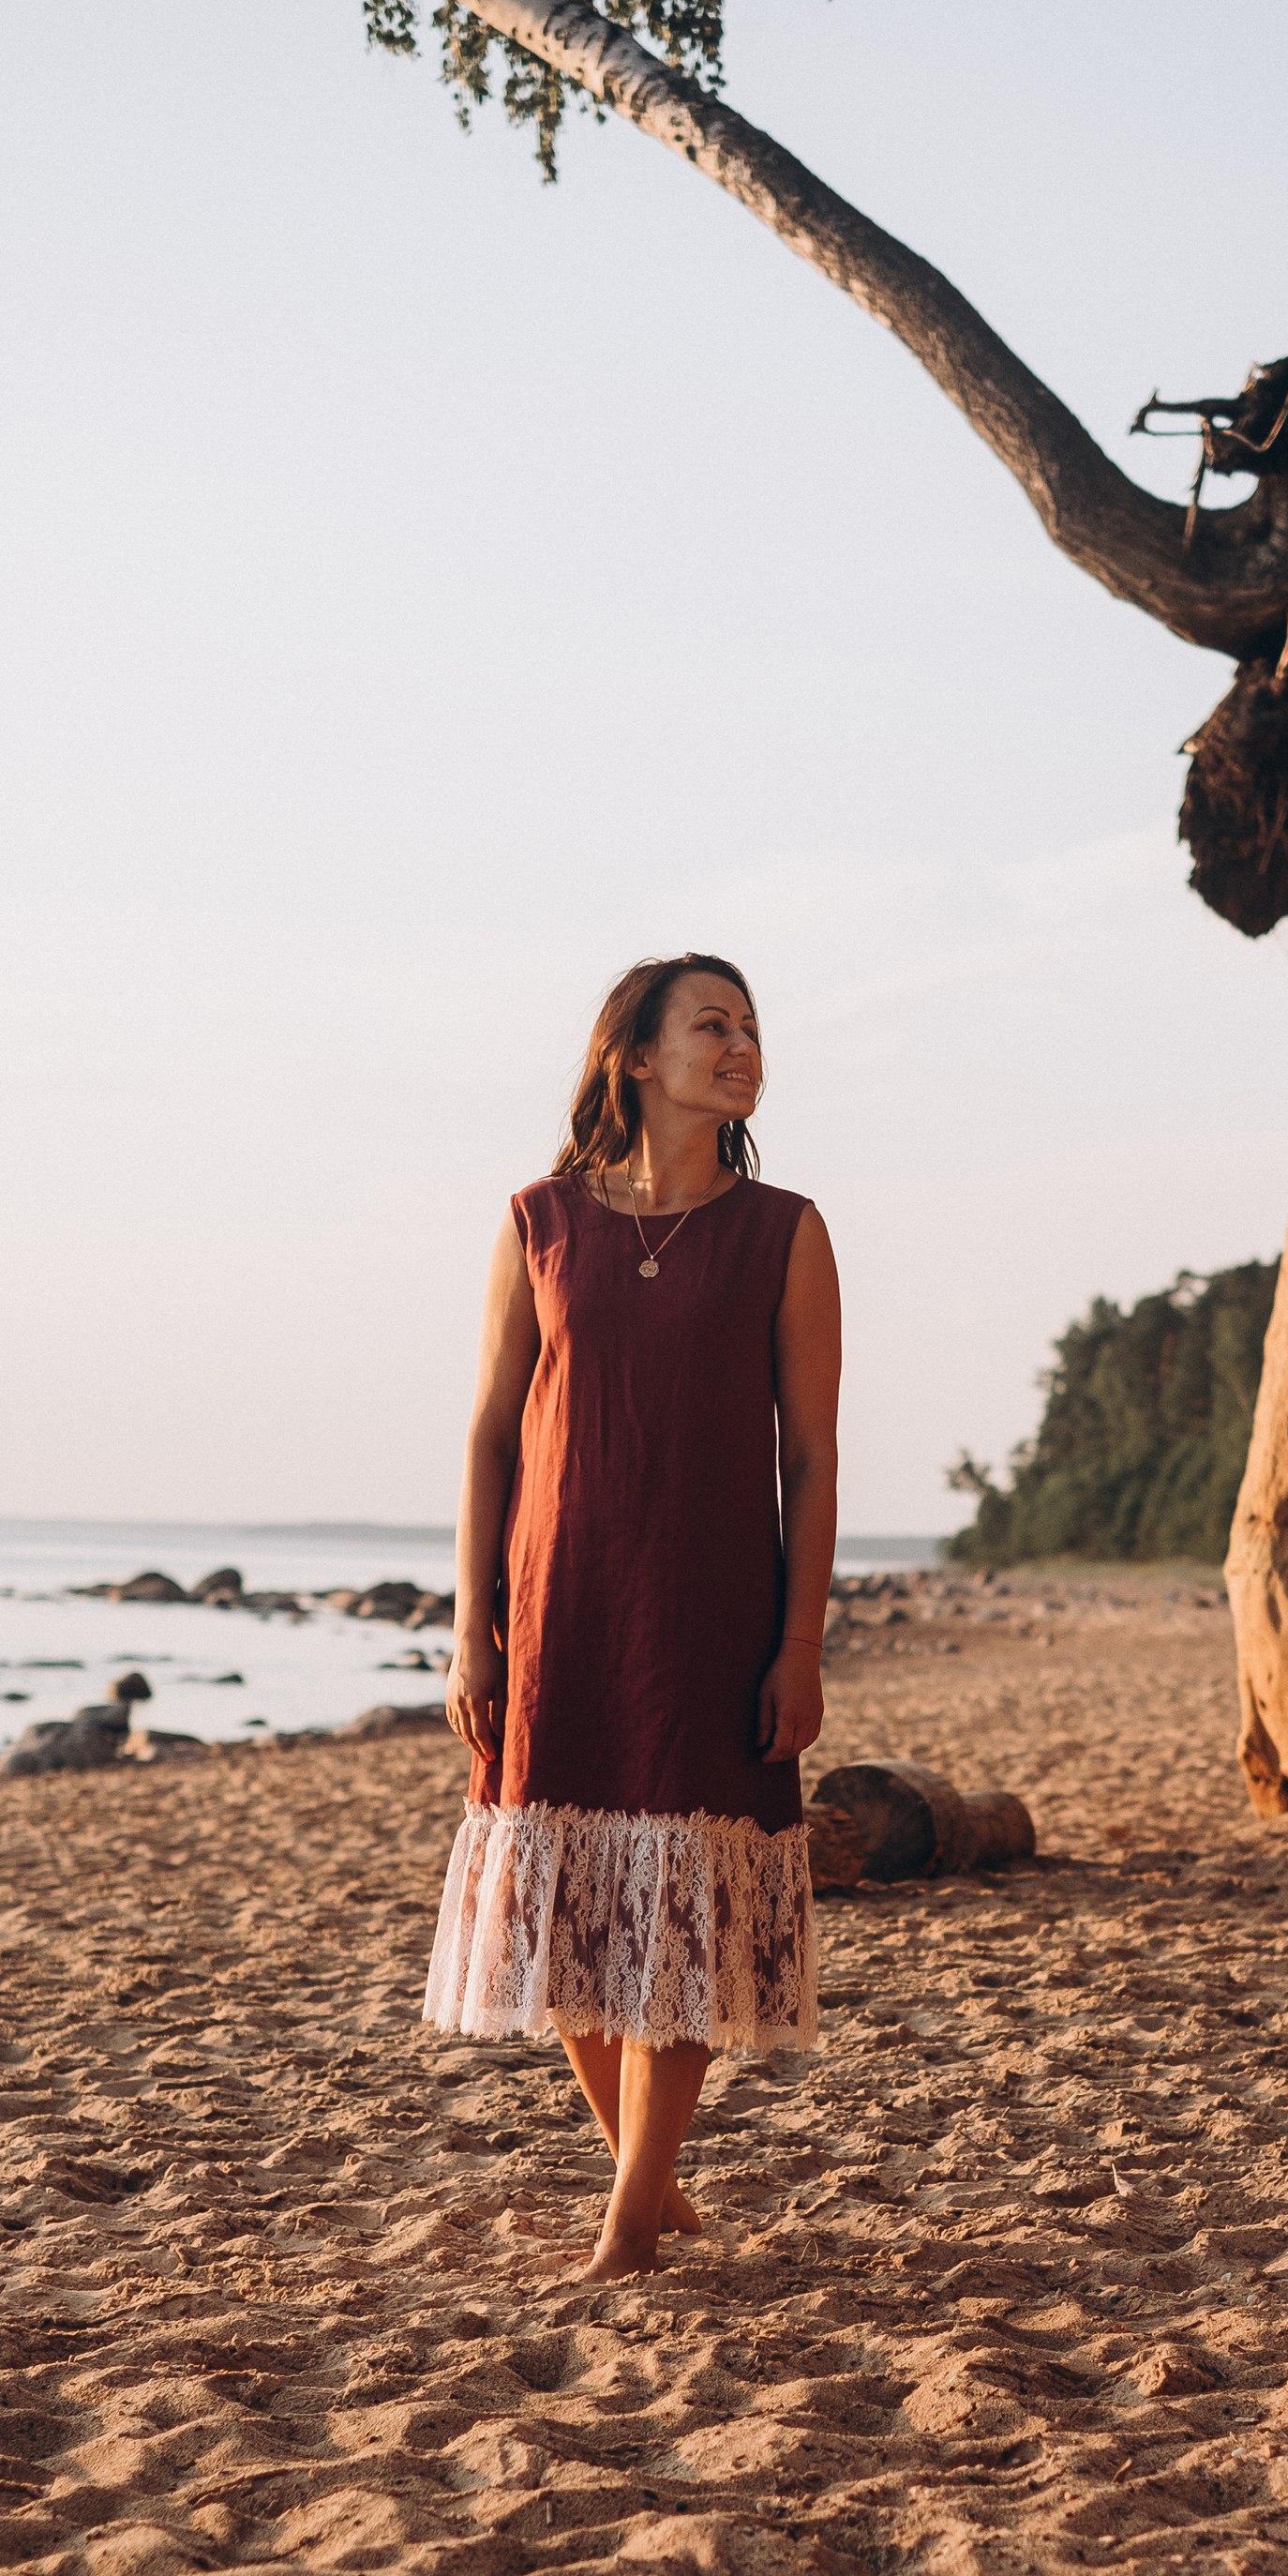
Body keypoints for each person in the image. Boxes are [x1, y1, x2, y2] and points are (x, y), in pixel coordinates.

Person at [427, 953, 843, 2282]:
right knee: (562, 1909)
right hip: (562, 1608)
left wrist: (800, 1641)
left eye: (750, 1026)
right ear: (637, 1059)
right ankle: (650, 2186)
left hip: (714, 1606)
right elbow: (492, 1431)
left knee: (689, 1911)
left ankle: (626, 2220)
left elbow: (813, 1460)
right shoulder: (541, 1221)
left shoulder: (784, 1232)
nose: (740, 1045)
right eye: (710, 1026)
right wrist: (470, 1621)